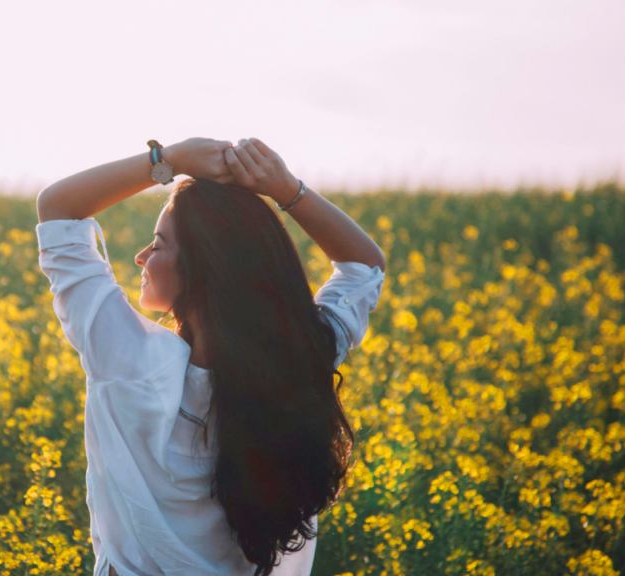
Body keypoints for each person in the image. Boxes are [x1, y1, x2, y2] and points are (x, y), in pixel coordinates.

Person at [35, 137, 386, 576]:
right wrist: (285, 189)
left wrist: (168, 160)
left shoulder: (128, 360)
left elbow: (57, 208)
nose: (142, 256)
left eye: (158, 244)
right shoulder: (302, 359)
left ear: (202, 269)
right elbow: (365, 265)